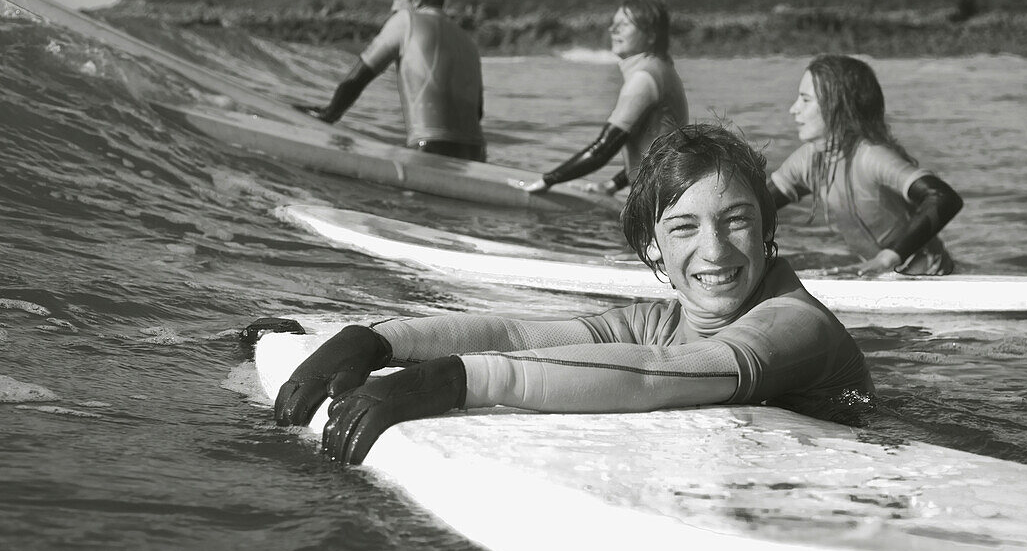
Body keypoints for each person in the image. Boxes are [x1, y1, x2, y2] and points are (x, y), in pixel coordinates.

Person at [269, 124, 873, 465]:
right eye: (685, 227)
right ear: (653, 249)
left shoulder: (796, 324)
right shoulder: (664, 319)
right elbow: (520, 335)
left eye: (737, 219)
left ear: (770, 230)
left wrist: (455, 381)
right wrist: (378, 340)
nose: (715, 251)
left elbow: (658, 374)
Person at [770, 54, 963, 276]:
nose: (794, 109)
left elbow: (943, 198)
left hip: (931, 277)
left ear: (837, 106)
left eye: (805, 100)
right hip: (878, 277)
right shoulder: (809, 161)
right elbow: (755, 206)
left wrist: (887, 258)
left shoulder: (871, 157)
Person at [298, 0, 487, 161]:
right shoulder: (468, 43)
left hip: (431, 150)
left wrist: (329, 114)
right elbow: (478, 112)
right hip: (476, 156)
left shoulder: (406, 20)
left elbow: (359, 76)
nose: (393, 7)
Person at [516, 0, 689, 195]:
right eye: (613, 23)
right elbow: (657, 149)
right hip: (666, 190)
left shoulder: (644, 78)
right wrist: (612, 185)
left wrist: (547, 181)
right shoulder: (662, 68)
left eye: (624, 24)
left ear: (650, 35)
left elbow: (603, 149)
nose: (613, 30)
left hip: (656, 197)